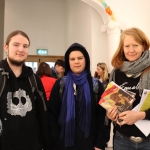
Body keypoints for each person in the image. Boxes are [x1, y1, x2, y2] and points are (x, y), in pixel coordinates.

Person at [48, 43, 110, 150]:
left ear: (86, 60)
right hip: (64, 144)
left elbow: (104, 116)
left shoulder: (96, 85)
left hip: (90, 145)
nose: (76, 61)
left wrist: (100, 144)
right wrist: (56, 141)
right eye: (72, 59)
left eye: (80, 58)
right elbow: (52, 115)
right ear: (68, 62)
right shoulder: (60, 84)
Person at [0, 30, 52, 150]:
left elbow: (43, 115)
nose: (21, 49)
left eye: (25, 46)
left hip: (31, 145)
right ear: (6, 47)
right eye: (16, 45)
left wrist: (48, 145)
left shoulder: (34, 79)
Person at [107, 27, 150, 150]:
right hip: (122, 139)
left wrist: (140, 115)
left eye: (135, 45)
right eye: (127, 46)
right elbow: (111, 104)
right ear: (122, 48)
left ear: (143, 46)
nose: (131, 50)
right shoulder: (117, 72)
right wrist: (111, 113)